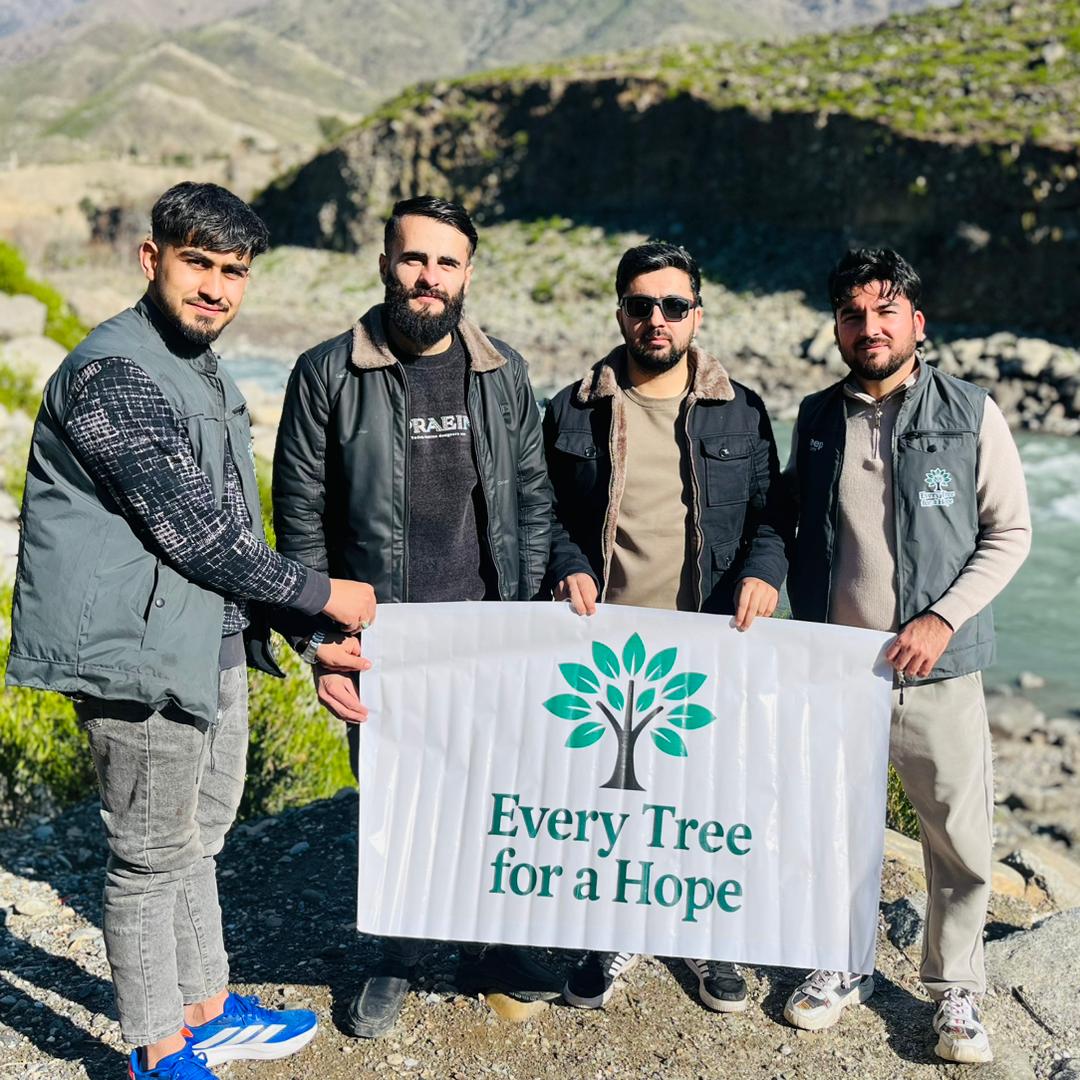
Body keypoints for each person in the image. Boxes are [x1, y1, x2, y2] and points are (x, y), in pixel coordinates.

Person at [5, 182, 377, 1080]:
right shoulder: (111, 373)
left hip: (205, 643)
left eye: (234, 271)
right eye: (199, 264)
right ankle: (155, 1048)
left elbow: (232, 533)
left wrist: (302, 637)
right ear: (152, 259)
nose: (215, 287)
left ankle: (205, 1007)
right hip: (136, 660)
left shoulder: (199, 366)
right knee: (145, 861)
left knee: (198, 839)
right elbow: (193, 531)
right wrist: (330, 596)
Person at [272, 195, 558, 1038]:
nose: (427, 278)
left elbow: (531, 499)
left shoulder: (503, 372)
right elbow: (299, 520)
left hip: (488, 634)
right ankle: (397, 951)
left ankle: (487, 947)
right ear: (385, 262)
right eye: (413, 258)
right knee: (396, 802)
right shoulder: (327, 373)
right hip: (384, 639)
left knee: (493, 792)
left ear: (467, 273)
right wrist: (324, 640)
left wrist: (528, 615)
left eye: (446, 262)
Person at [781, 248, 1031, 1064]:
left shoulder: (970, 413)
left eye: (886, 312)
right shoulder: (817, 419)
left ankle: (956, 988)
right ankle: (840, 964)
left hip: (939, 669)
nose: (869, 327)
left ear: (916, 324)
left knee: (957, 833)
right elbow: (791, 529)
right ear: (838, 328)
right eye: (854, 314)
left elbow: (1010, 533)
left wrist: (942, 620)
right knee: (834, 826)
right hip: (839, 671)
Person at [543, 240, 788, 1014]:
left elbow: (769, 518)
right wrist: (565, 561)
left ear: (697, 315)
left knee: (704, 798)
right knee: (613, 799)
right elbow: (542, 513)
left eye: (673, 306)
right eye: (641, 305)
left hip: (708, 638)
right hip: (604, 643)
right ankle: (611, 932)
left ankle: (707, 938)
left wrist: (764, 573)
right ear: (620, 311)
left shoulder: (740, 409)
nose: (657, 319)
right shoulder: (572, 408)